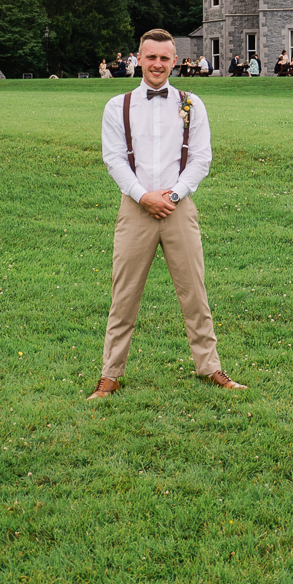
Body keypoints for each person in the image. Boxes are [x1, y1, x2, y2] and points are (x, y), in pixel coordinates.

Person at [88, 30, 246, 399]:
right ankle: (110, 374)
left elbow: (202, 159)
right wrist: (144, 196)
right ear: (138, 59)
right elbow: (113, 159)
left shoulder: (193, 103)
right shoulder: (118, 106)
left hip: (178, 208)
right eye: (150, 57)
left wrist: (172, 195)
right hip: (135, 208)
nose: (157, 64)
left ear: (175, 61)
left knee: (194, 292)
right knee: (123, 295)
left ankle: (211, 367)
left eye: (164, 58)